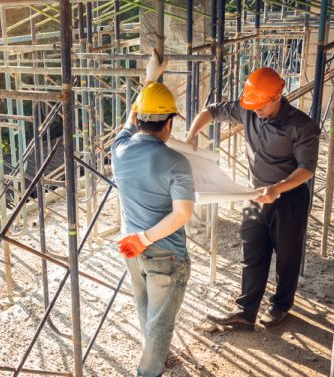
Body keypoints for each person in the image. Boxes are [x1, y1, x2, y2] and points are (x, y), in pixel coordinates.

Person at [185, 67, 320, 329]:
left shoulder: (301, 125)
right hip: (254, 194)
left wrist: (278, 188)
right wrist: (192, 135)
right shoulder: (247, 109)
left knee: (287, 255)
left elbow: (307, 169)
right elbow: (211, 111)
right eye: (252, 105)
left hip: (289, 198)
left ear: (277, 96)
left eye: (261, 105)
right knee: (253, 251)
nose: (255, 110)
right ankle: (245, 312)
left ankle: (280, 306)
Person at [112, 51, 195, 377]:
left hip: (131, 248)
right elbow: (183, 213)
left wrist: (149, 79)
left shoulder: (119, 149)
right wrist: (145, 237)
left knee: (146, 310)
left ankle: (156, 359)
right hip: (164, 252)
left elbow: (130, 118)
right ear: (170, 122)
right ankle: (148, 372)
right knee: (161, 322)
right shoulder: (176, 162)